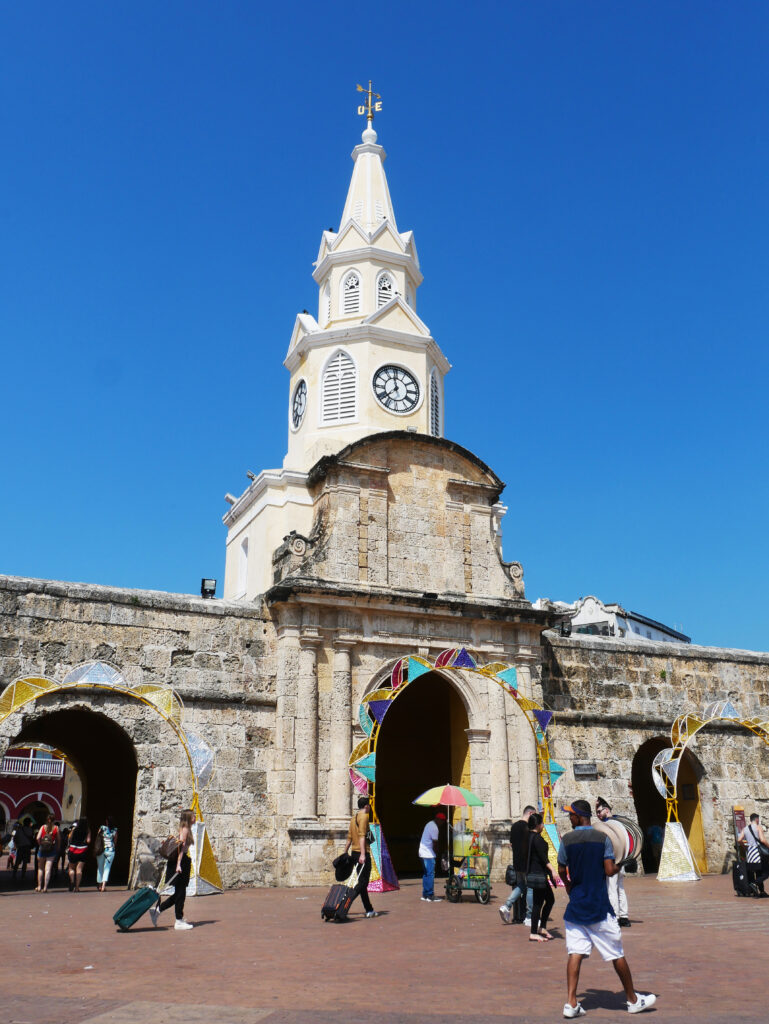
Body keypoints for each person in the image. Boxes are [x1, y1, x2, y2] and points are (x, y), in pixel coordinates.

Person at [558, 799, 656, 1018]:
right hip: (599, 906)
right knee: (616, 954)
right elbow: (610, 870)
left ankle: (571, 1003)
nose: (569, 818)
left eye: (571, 815)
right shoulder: (603, 839)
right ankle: (632, 999)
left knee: (575, 953)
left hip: (576, 907)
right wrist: (622, 864)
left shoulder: (567, 841)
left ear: (579, 816)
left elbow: (562, 869)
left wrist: (570, 887)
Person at [150, 808, 196, 930]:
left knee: (179, 894)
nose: (195, 818)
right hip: (180, 862)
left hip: (181, 862)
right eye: (193, 816)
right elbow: (180, 848)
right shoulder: (185, 829)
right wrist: (179, 864)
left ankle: (158, 911)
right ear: (188, 818)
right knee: (180, 893)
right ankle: (178, 920)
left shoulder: (186, 829)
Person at [340, 795, 378, 918]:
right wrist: (363, 854)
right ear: (366, 806)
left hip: (354, 853)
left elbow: (350, 837)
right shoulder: (364, 817)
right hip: (362, 853)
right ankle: (346, 902)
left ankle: (369, 909)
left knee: (362, 882)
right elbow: (362, 836)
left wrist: (345, 851)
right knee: (362, 883)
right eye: (369, 806)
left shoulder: (353, 818)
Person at [595, 798, 631, 926]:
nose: (598, 815)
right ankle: (624, 916)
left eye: (599, 811)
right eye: (597, 813)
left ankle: (614, 916)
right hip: (622, 859)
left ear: (606, 810)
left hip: (613, 860)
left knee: (612, 888)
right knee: (620, 888)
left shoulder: (608, 826)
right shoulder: (620, 822)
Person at [499, 804, 535, 924]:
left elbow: (512, 844)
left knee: (520, 885)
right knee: (530, 888)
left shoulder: (514, 826)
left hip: (517, 862)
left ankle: (507, 905)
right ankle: (529, 917)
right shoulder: (528, 828)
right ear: (530, 814)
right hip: (527, 862)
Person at [526, 812, 556, 942]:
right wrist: (553, 870)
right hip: (538, 874)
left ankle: (542, 927)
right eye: (542, 823)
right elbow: (544, 858)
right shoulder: (537, 839)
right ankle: (533, 932)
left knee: (550, 899)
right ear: (538, 825)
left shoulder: (530, 836)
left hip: (538, 873)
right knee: (538, 903)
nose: (543, 825)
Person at [738, 812, 769, 897]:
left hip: (750, 855)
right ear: (756, 819)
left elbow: (739, 839)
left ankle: (762, 892)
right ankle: (755, 884)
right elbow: (762, 840)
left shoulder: (745, 829)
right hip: (758, 854)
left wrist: (745, 847)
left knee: (758, 872)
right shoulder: (758, 827)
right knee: (766, 872)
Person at [419, 811, 446, 902]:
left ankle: (425, 895)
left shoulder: (429, 824)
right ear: (438, 819)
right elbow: (435, 844)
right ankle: (430, 895)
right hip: (428, 854)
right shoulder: (434, 828)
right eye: (442, 821)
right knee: (430, 874)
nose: (442, 823)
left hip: (422, 852)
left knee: (426, 874)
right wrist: (437, 853)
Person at [35, 814, 59, 892]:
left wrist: (40, 844)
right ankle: (45, 887)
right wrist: (57, 847)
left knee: (40, 868)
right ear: (53, 820)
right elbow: (59, 839)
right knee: (48, 869)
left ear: (47, 819)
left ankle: (39, 886)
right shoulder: (56, 828)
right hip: (51, 850)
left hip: (42, 850)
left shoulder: (42, 827)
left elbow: (38, 838)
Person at [95, 816, 118, 892]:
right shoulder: (115, 830)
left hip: (101, 850)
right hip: (110, 851)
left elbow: (98, 837)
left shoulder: (102, 828)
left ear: (107, 821)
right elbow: (115, 842)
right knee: (107, 868)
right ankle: (104, 886)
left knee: (100, 868)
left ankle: (99, 885)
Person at [67, 818, 91, 891]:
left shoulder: (75, 829)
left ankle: (72, 881)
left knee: (71, 868)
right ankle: (77, 887)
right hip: (82, 850)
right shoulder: (88, 830)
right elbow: (88, 840)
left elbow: (69, 837)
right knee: (79, 869)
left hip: (73, 850)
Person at [11, 818, 35, 886]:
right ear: (28, 823)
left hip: (20, 847)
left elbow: (15, 838)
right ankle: (23, 875)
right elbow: (32, 837)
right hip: (27, 848)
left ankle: (14, 874)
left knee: (17, 862)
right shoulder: (30, 830)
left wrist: (16, 845)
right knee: (25, 862)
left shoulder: (19, 830)